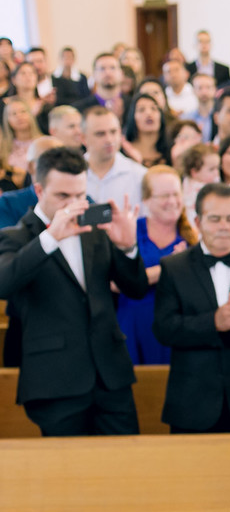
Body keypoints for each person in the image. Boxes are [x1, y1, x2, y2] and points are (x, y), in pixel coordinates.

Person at [0, 147, 148, 435]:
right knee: (65, 473)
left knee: (127, 469)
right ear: (39, 189)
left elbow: (136, 288)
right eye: (63, 196)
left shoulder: (95, 231)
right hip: (55, 381)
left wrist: (127, 247)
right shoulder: (16, 237)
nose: (75, 204)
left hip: (111, 377)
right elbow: (4, 283)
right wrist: (51, 237)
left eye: (81, 195)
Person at [116, 166, 197, 364]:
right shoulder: (130, 232)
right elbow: (114, 283)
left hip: (177, 325)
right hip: (134, 324)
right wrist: (171, 268)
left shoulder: (193, 237)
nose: (171, 201)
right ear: (146, 200)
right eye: (163, 196)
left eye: (175, 194)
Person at [82, 107, 147, 209]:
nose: (109, 139)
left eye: (113, 132)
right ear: (83, 138)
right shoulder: (69, 175)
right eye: (100, 134)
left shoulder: (140, 176)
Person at [0, 100, 41, 190]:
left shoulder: (43, 142)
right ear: (7, 120)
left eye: (23, 111)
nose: (19, 116)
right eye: (14, 114)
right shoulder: (3, 146)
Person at [122, 93, 171, 168]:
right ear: (133, 117)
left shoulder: (170, 151)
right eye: (141, 110)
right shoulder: (124, 152)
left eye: (154, 108)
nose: (149, 113)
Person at [180, 143, 221, 215]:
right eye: (211, 169)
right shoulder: (194, 192)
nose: (216, 173)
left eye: (217, 168)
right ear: (194, 172)